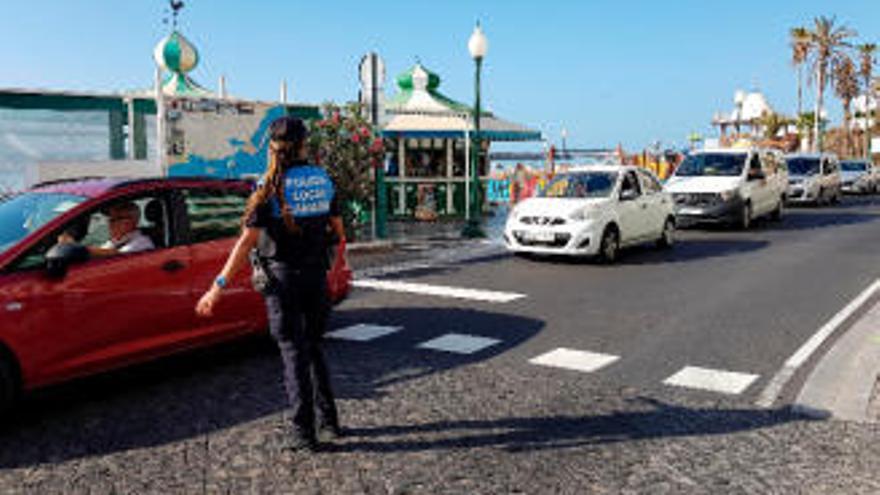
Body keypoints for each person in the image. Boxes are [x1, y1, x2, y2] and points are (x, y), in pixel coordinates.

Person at [195, 116, 345, 453]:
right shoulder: (324, 180)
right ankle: (330, 422)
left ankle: (303, 433)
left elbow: (245, 244)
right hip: (315, 278)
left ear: (271, 147)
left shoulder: (267, 187)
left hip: (282, 281)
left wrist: (217, 286)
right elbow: (339, 233)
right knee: (315, 348)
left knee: (294, 354)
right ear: (305, 144)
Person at [57, 201, 154, 257]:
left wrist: (76, 249)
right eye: (110, 219)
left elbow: (118, 256)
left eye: (116, 219)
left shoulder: (142, 242)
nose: (110, 223)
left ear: (132, 221)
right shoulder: (114, 242)